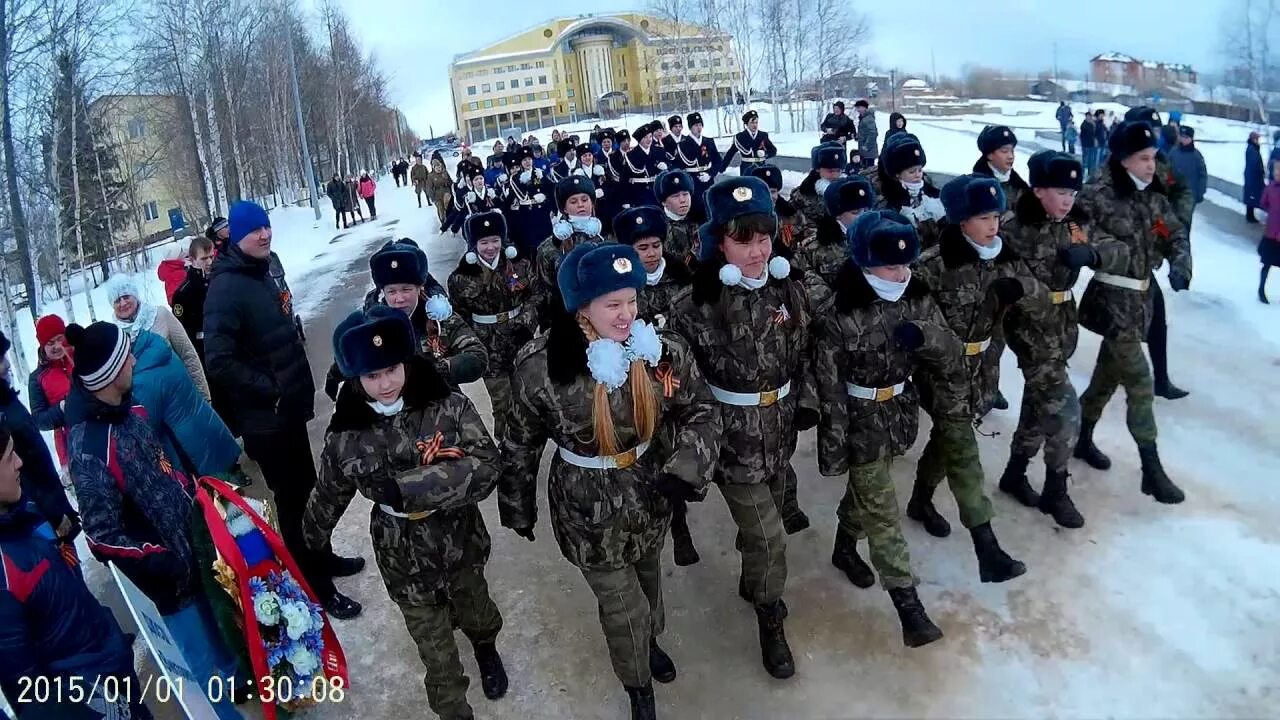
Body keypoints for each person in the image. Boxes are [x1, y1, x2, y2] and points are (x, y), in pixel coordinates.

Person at [500, 241, 720, 719]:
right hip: (586, 510)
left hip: (649, 494)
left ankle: (650, 642)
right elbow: (519, 442)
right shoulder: (541, 366)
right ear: (582, 306)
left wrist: (687, 467)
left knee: (648, 582)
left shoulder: (657, 351)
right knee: (622, 607)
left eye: (632, 301)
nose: (626, 316)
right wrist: (517, 504)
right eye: (612, 304)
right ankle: (638, 685)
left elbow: (701, 410)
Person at [306, 306, 508, 720]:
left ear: (408, 363)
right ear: (355, 379)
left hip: (459, 539)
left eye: (392, 369)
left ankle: (485, 646)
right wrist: (307, 543)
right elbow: (328, 492)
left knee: (476, 608)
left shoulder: (446, 405)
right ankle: (455, 710)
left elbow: (487, 466)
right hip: (402, 555)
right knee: (436, 653)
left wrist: (408, 488)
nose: (385, 384)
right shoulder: (347, 432)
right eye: (372, 376)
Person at [669, 176, 816, 680]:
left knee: (764, 531)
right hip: (731, 444)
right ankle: (771, 621)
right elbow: (682, 390)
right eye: (742, 240)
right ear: (719, 243)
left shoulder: (789, 289)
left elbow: (809, 355)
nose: (755, 252)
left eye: (763, 238)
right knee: (771, 537)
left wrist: (807, 403)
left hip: (779, 433)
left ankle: (755, 585)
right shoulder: (694, 307)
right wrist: (690, 454)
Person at [62, 321, 242, 719]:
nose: (133, 359)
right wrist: (159, 560)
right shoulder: (90, 449)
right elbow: (101, 536)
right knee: (204, 671)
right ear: (109, 374)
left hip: (195, 555)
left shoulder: (129, 411)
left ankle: (237, 687)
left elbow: (163, 470)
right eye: (126, 355)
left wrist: (195, 496)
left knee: (225, 645)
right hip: (169, 583)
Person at [204, 200, 365, 619]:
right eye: (254, 231)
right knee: (293, 503)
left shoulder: (261, 272)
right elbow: (219, 360)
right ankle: (315, 584)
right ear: (235, 238)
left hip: (287, 411)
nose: (264, 234)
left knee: (310, 491)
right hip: (267, 420)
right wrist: (270, 391)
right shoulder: (225, 288)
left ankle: (323, 557)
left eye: (267, 227)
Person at [813, 210, 964, 647]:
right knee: (882, 510)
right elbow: (829, 386)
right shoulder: (839, 312)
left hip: (898, 414)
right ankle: (908, 605)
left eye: (906, 263)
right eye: (890, 265)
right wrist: (834, 445)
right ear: (864, 261)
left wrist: (925, 338)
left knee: (867, 496)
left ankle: (844, 547)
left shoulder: (917, 296)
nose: (901, 273)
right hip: (858, 422)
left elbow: (950, 347)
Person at [901, 175, 1029, 584]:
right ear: (960, 221)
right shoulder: (933, 265)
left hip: (980, 369)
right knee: (962, 447)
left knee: (947, 441)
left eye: (996, 215)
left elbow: (1013, 319)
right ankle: (986, 544)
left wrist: (1021, 292)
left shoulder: (1005, 258)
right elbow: (915, 323)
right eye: (982, 217)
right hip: (939, 372)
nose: (993, 225)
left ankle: (921, 500)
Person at [1001, 150, 1124, 528]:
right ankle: (1056, 489)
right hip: (1030, 329)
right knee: (1065, 410)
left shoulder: (1073, 224)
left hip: (1062, 325)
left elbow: (1114, 248)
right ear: (1038, 191)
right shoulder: (1014, 227)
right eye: (1060, 192)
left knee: (1038, 404)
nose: (1069, 199)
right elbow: (1001, 274)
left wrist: (1091, 254)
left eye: (1073, 191)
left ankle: (1014, 473)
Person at [1073, 121, 1192, 505]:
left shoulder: (1152, 195)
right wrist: (1104, 250)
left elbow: (1173, 231)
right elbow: (1078, 231)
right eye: (1143, 159)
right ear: (1124, 159)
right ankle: (1151, 470)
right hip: (1111, 301)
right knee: (1140, 381)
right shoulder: (1098, 192)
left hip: (1141, 302)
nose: (1151, 166)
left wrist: (1180, 263)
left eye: (1153, 158)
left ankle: (1081, 437)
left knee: (1107, 379)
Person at [0, 425, 154, 720]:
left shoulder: (26, 514)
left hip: (111, 666)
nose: (19, 462)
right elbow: (32, 697)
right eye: (8, 457)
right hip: (91, 703)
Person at [326, 240, 487, 396]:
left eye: (406, 289)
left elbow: (477, 355)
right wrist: (335, 375)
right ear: (383, 292)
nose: (399, 298)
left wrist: (437, 370)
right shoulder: (371, 325)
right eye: (392, 291)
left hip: (440, 405)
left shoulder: (439, 319)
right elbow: (349, 357)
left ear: (419, 288)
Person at [448, 211, 538, 442]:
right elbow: (459, 317)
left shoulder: (520, 265)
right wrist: (471, 344)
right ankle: (505, 443)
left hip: (520, 339)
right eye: (484, 242)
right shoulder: (460, 277)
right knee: (502, 401)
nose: (490, 247)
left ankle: (528, 440)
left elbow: (535, 297)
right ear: (473, 244)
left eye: (495, 241)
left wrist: (526, 322)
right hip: (488, 346)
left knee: (527, 395)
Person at [1122, 107, 1193, 399]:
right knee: (1122, 330)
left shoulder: (1160, 164)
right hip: (1121, 263)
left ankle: (1160, 380)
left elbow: (1182, 192)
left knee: (1153, 320)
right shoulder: (1113, 170)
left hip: (1147, 256)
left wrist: (1173, 220)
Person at [129, 328, 242, 480]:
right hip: (207, 425)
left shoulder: (142, 381)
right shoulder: (158, 347)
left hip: (191, 450)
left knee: (220, 495)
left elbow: (146, 429)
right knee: (230, 479)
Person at [0, 331, 77, 536]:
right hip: (39, 516)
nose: (7, 365)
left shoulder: (7, 400)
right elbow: (18, 472)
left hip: (51, 499)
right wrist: (52, 512)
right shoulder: (36, 380)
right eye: (0, 359)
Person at [106, 274, 208, 400]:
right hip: (147, 409)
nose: (123, 303)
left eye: (126, 296)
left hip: (180, 395)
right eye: (117, 300)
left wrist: (203, 395)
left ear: (135, 295)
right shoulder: (113, 335)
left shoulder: (160, 315)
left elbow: (188, 354)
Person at [533, 175, 606, 330]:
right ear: (564, 208)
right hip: (564, 320)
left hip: (602, 318)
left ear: (592, 202)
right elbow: (543, 291)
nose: (581, 205)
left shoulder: (607, 241)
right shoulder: (549, 247)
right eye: (573, 201)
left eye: (585, 199)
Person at [798, 174, 876, 288]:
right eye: (855, 212)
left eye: (867, 210)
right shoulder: (814, 248)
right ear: (837, 215)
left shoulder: (883, 239)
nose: (864, 216)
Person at [871, 132, 947, 249]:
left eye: (919, 170)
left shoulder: (933, 195)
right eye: (911, 172)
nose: (917, 175)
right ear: (898, 174)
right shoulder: (890, 203)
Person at [29, 315, 75, 472]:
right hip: (70, 445)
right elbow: (39, 419)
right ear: (42, 345)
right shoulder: (37, 378)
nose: (57, 346)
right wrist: (62, 408)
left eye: (59, 339)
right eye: (50, 343)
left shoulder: (80, 355)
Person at [790, 142, 848, 246]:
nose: (835, 176)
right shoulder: (802, 196)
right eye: (830, 171)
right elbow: (794, 227)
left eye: (838, 170)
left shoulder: (849, 192)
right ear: (818, 169)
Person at [170, 234, 214, 367]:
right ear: (192, 259)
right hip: (204, 351)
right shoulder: (183, 293)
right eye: (204, 259)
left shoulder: (220, 281)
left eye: (211, 257)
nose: (209, 262)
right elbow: (182, 332)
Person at [505, 145, 553, 258]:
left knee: (546, 242)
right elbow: (516, 196)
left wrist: (545, 197)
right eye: (524, 160)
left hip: (542, 214)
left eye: (529, 159)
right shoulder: (516, 178)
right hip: (527, 214)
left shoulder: (539, 173)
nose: (527, 162)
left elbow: (551, 189)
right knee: (530, 246)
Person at [677, 112, 722, 217]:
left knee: (711, 208)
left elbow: (718, 161)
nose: (699, 128)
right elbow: (678, 166)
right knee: (696, 211)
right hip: (693, 183)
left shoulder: (709, 142)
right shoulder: (683, 145)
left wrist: (710, 174)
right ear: (690, 127)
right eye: (696, 125)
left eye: (700, 125)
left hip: (708, 180)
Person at [973, 125, 1029, 207]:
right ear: (989, 155)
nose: (1011, 156)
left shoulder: (1019, 185)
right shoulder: (977, 188)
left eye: (1012, 151)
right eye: (1004, 151)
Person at [654, 169, 700, 263]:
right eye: (675, 196)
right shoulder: (658, 228)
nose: (682, 200)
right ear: (664, 202)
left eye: (685, 194)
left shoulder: (701, 219)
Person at [619, 121, 668, 209]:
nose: (649, 140)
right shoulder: (630, 155)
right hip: (639, 194)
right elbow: (624, 180)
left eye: (650, 136)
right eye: (645, 137)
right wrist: (625, 200)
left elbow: (667, 172)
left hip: (657, 191)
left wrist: (666, 167)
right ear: (639, 140)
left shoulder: (659, 151)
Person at [1169, 126, 1208, 213]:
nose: (1183, 139)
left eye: (1186, 137)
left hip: (1190, 196)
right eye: (1181, 136)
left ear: (1191, 139)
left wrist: (1200, 192)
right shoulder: (1173, 152)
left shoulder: (1196, 156)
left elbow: (1203, 175)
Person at [1259, 158, 1280, 303]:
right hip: (1272, 232)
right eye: (1276, 171)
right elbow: (1263, 203)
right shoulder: (1270, 188)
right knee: (1267, 263)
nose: (1277, 173)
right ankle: (1261, 289)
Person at [426, 153, 455, 228]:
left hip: (446, 192)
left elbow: (450, 182)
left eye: (439, 167)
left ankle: (450, 220)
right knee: (441, 209)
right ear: (433, 168)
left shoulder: (444, 173)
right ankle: (443, 221)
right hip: (437, 195)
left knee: (449, 207)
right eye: (437, 167)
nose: (439, 169)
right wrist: (432, 198)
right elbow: (429, 188)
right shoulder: (430, 176)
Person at [1245, 131, 1265, 224]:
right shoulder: (1252, 149)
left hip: (1252, 176)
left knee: (1251, 195)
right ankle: (1250, 216)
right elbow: (1254, 164)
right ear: (1253, 139)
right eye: (1257, 139)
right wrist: (1260, 171)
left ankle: (1250, 215)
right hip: (1253, 176)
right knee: (1252, 195)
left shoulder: (1252, 148)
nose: (1258, 141)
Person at [854, 99, 878, 170]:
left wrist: (867, 146)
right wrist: (857, 137)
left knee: (869, 171)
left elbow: (873, 133)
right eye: (857, 108)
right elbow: (864, 132)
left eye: (859, 107)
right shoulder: (863, 118)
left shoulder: (868, 119)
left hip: (868, 151)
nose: (857, 110)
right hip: (864, 150)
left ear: (864, 108)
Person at [1080, 112, 1100, 180]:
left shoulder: (1092, 124)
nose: (1089, 118)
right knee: (1085, 160)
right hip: (1085, 145)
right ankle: (1082, 174)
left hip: (1091, 145)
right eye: (1088, 116)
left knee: (1091, 160)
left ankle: (1089, 173)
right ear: (1086, 117)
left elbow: (1095, 132)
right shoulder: (1084, 124)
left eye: (1090, 116)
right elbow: (1089, 133)